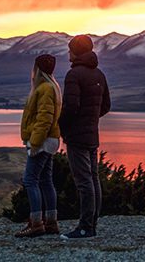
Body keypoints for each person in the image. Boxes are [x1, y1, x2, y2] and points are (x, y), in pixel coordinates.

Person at [58, 34, 110, 239]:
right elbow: (106, 106)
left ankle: (86, 227)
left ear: (76, 51)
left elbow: (71, 107)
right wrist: (90, 119)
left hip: (77, 136)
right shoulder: (99, 74)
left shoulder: (74, 75)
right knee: (93, 178)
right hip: (91, 134)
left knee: (83, 181)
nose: (68, 53)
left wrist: (61, 125)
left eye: (70, 49)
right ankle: (92, 224)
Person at [15, 53, 62, 238]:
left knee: (30, 180)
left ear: (37, 69)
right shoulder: (53, 87)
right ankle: (51, 222)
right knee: (45, 180)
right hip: (50, 139)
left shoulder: (44, 89)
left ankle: (36, 223)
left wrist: (34, 143)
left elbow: (44, 118)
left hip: (42, 141)